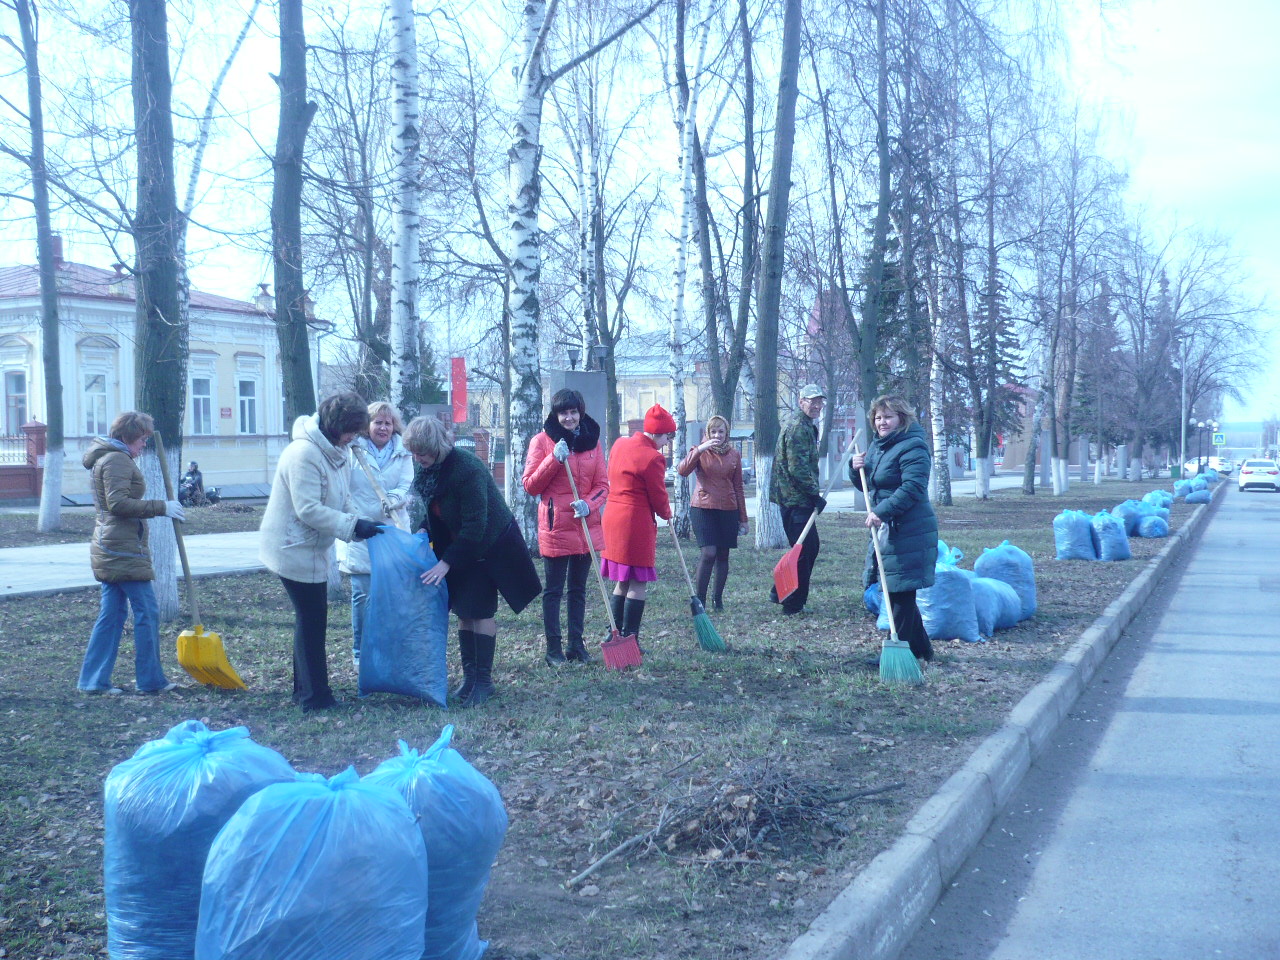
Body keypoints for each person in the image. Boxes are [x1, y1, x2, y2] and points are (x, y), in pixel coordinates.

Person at [259, 393, 385, 712]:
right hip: (291, 547)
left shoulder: (336, 452)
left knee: (311, 619)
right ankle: (314, 698)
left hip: (312, 548)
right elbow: (308, 509)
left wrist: (361, 520)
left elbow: (342, 499)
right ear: (335, 426)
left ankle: (305, 690)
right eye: (351, 431)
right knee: (312, 619)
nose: (354, 438)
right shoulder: (304, 453)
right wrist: (354, 527)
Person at [406, 416, 541, 707]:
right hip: (458, 546)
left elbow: (476, 526)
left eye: (422, 452)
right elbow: (438, 510)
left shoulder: (468, 469)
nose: (418, 458)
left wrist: (445, 564)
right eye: (414, 453)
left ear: (438, 447)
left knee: (480, 611)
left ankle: (483, 681)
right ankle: (469, 679)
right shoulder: (428, 471)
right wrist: (423, 528)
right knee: (463, 611)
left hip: (486, 546)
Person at [77, 411, 186, 695]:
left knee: (111, 614)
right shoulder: (116, 459)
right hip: (121, 547)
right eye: (141, 439)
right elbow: (118, 504)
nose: (144, 445)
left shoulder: (110, 456)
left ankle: (94, 681)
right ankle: (150, 680)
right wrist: (161, 507)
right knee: (147, 611)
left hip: (113, 544)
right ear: (128, 437)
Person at [522, 389, 609, 665]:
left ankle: (576, 645)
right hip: (556, 525)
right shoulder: (542, 441)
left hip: (584, 525)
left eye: (573, 412)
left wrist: (589, 504)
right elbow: (530, 485)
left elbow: (603, 485)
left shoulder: (592, 442)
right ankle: (553, 650)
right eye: (563, 413)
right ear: (556, 414)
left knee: (578, 590)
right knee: (554, 591)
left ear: (579, 412)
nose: (569, 418)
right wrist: (553, 459)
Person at [848, 394, 938, 662]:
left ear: (901, 418)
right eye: (877, 418)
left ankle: (896, 653)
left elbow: (912, 488)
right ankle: (922, 650)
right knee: (898, 590)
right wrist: (856, 470)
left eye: (887, 416)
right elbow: (869, 486)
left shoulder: (913, 447)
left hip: (909, 529)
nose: (882, 422)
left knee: (899, 592)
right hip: (888, 528)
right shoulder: (879, 446)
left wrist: (881, 512)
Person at [338, 401, 415, 667]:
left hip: (393, 531)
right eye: (377, 422)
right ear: (366, 425)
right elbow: (343, 488)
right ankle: (360, 653)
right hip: (361, 531)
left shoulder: (403, 452)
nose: (383, 427)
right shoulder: (351, 450)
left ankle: (388, 650)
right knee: (362, 594)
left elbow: (407, 484)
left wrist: (395, 497)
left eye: (388, 422)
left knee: (391, 595)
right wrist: (354, 518)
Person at [600, 404, 675, 645]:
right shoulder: (653, 457)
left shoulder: (620, 443)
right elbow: (658, 494)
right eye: (666, 436)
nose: (666, 442)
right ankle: (630, 639)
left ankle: (613, 634)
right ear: (656, 434)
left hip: (612, 518)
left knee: (622, 579)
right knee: (638, 581)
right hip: (634, 523)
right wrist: (667, 513)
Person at [677, 414, 748, 611]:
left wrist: (743, 519)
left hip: (728, 508)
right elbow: (682, 470)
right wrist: (701, 448)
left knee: (723, 555)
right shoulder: (699, 451)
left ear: (727, 434)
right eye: (713, 431)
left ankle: (718, 599)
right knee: (709, 553)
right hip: (703, 507)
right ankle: (699, 601)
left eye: (721, 431)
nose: (717, 435)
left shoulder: (734, 454)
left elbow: (738, 487)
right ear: (707, 433)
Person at [769, 383, 826, 615]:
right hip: (795, 499)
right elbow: (797, 467)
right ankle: (791, 603)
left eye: (819, 401)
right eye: (811, 401)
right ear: (801, 402)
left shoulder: (806, 425)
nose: (816, 405)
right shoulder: (798, 428)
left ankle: (781, 592)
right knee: (806, 549)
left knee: (805, 548)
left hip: (797, 498)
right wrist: (814, 495)